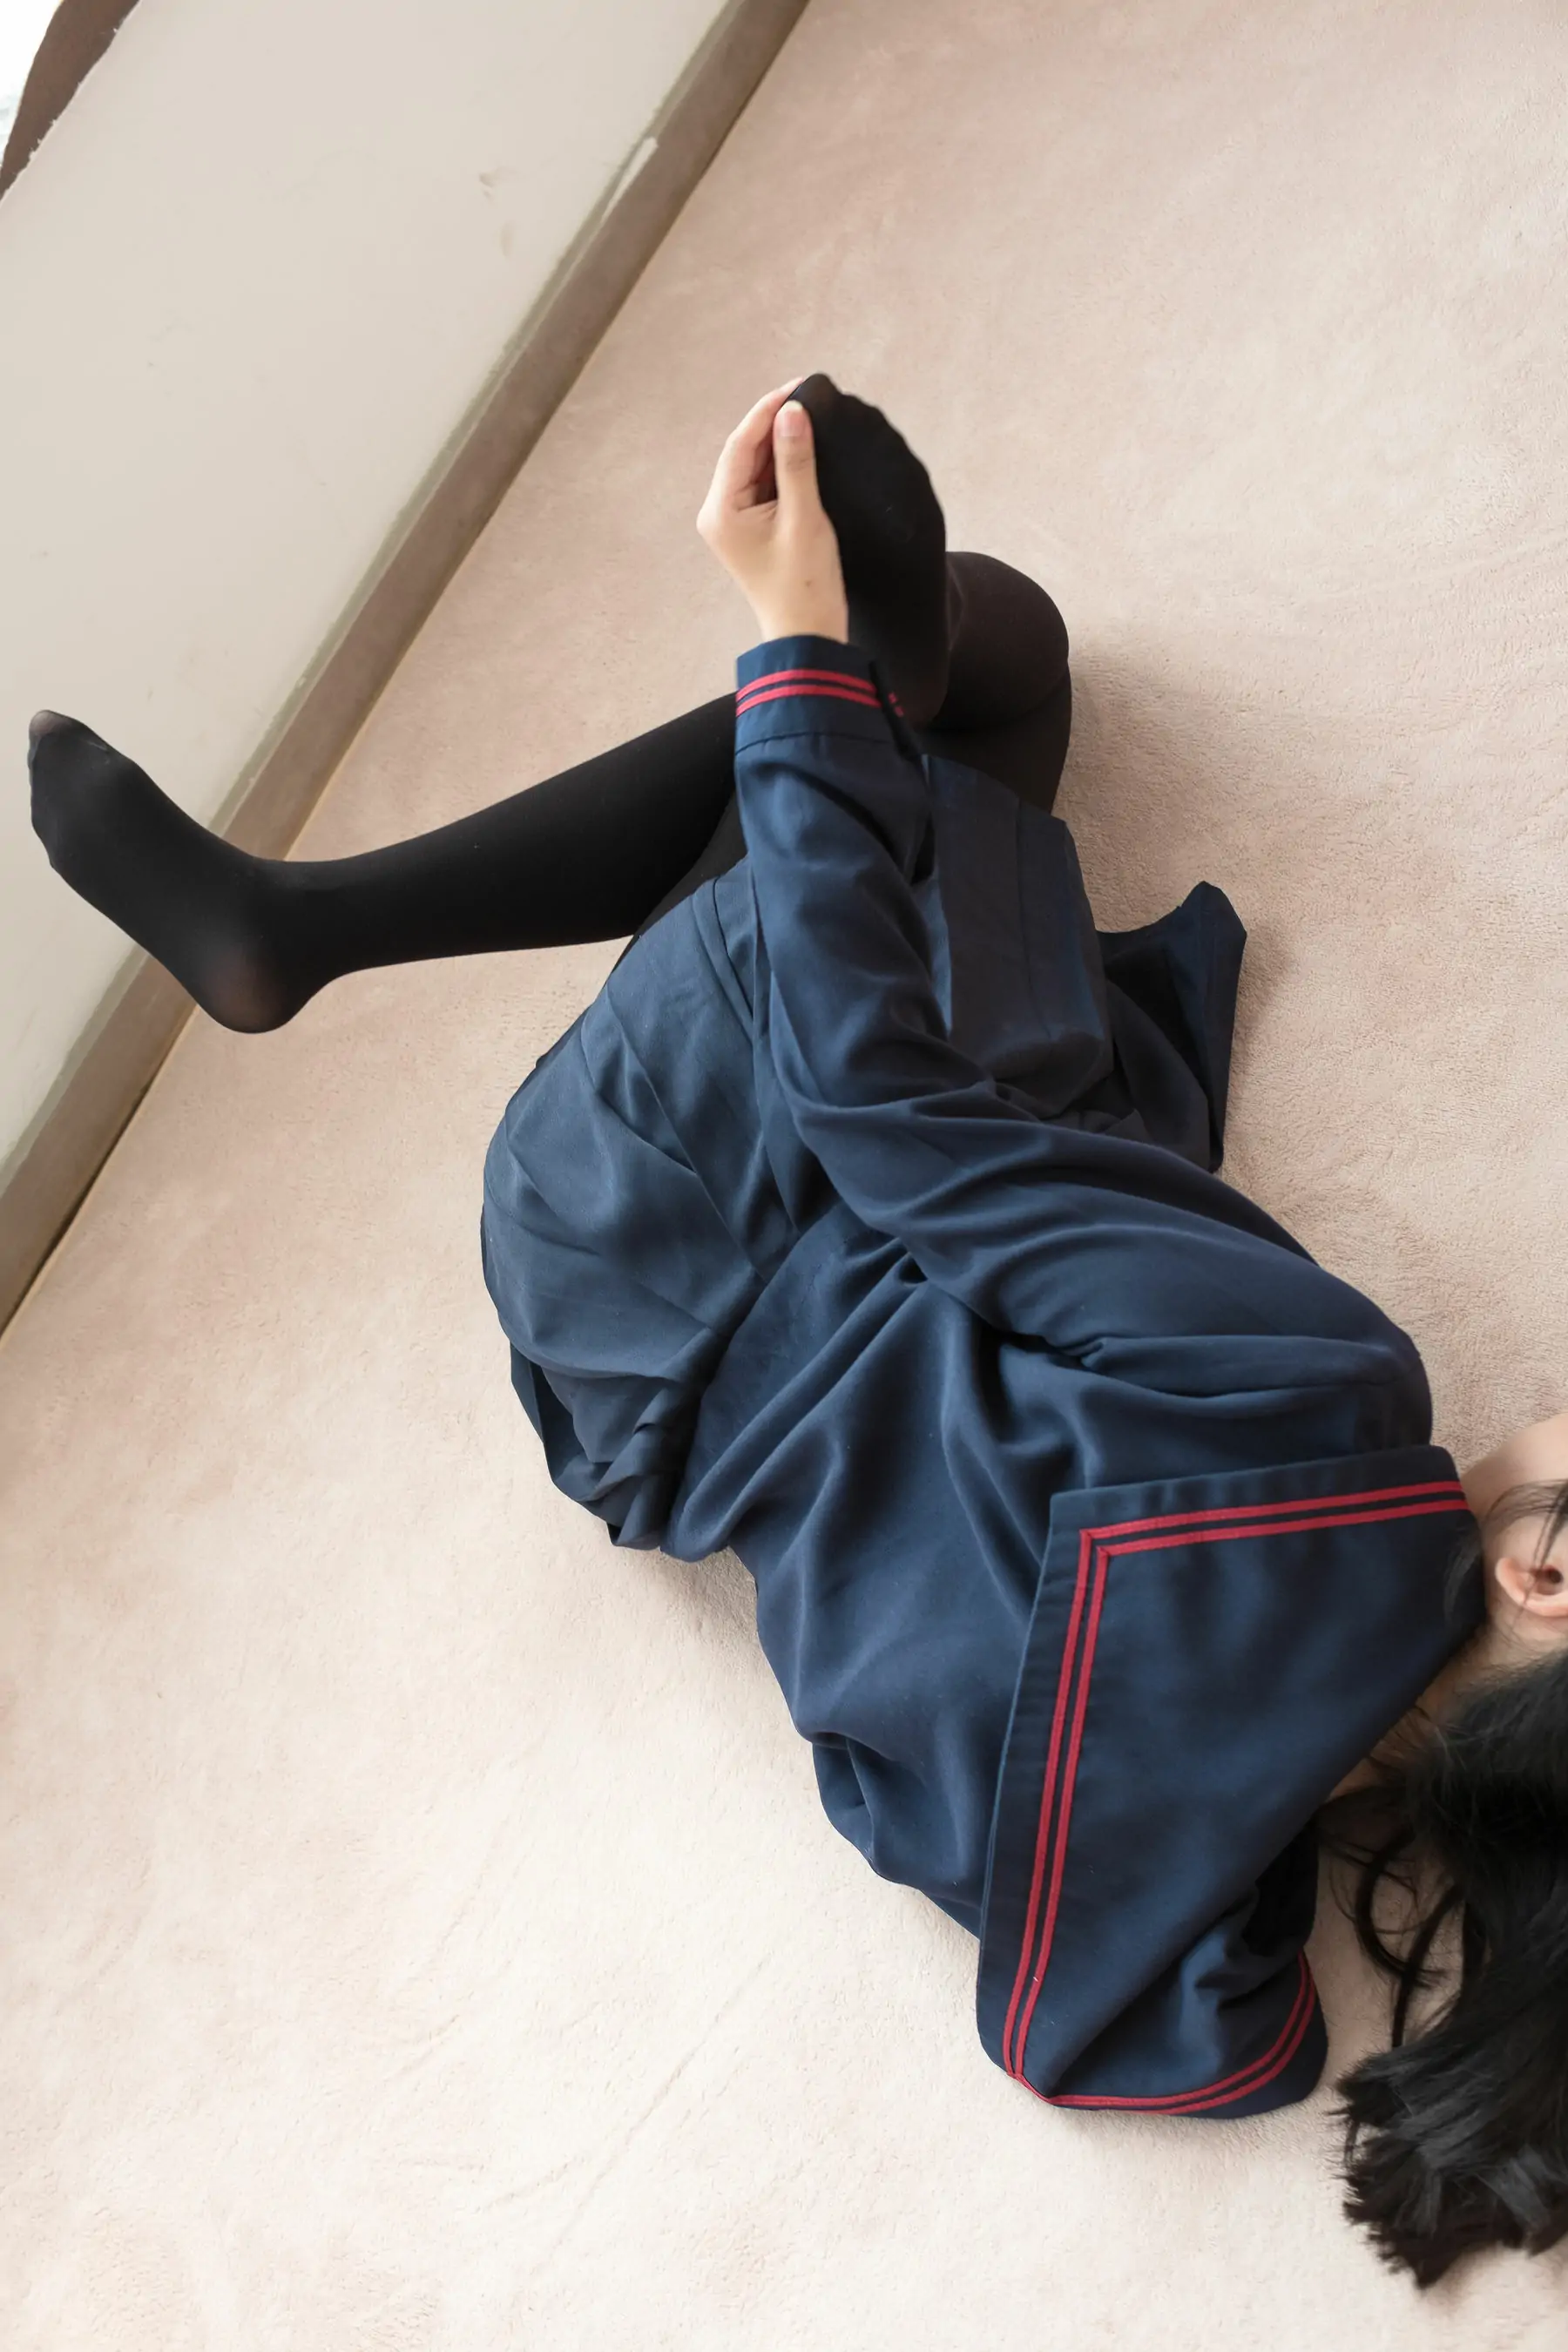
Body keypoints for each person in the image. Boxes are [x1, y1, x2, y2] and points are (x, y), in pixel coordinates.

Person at [25, 376, 1568, 2285]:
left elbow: (889, 1117)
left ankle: (348, 907)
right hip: (603, 1354)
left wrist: (792, 656)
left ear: (1546, 1573)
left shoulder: (1335, 1419)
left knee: (981, 670)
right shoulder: (1167, 1911)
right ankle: (329, 913)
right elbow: (1135, 2022)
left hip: (692, 1147)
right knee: (993, 810)